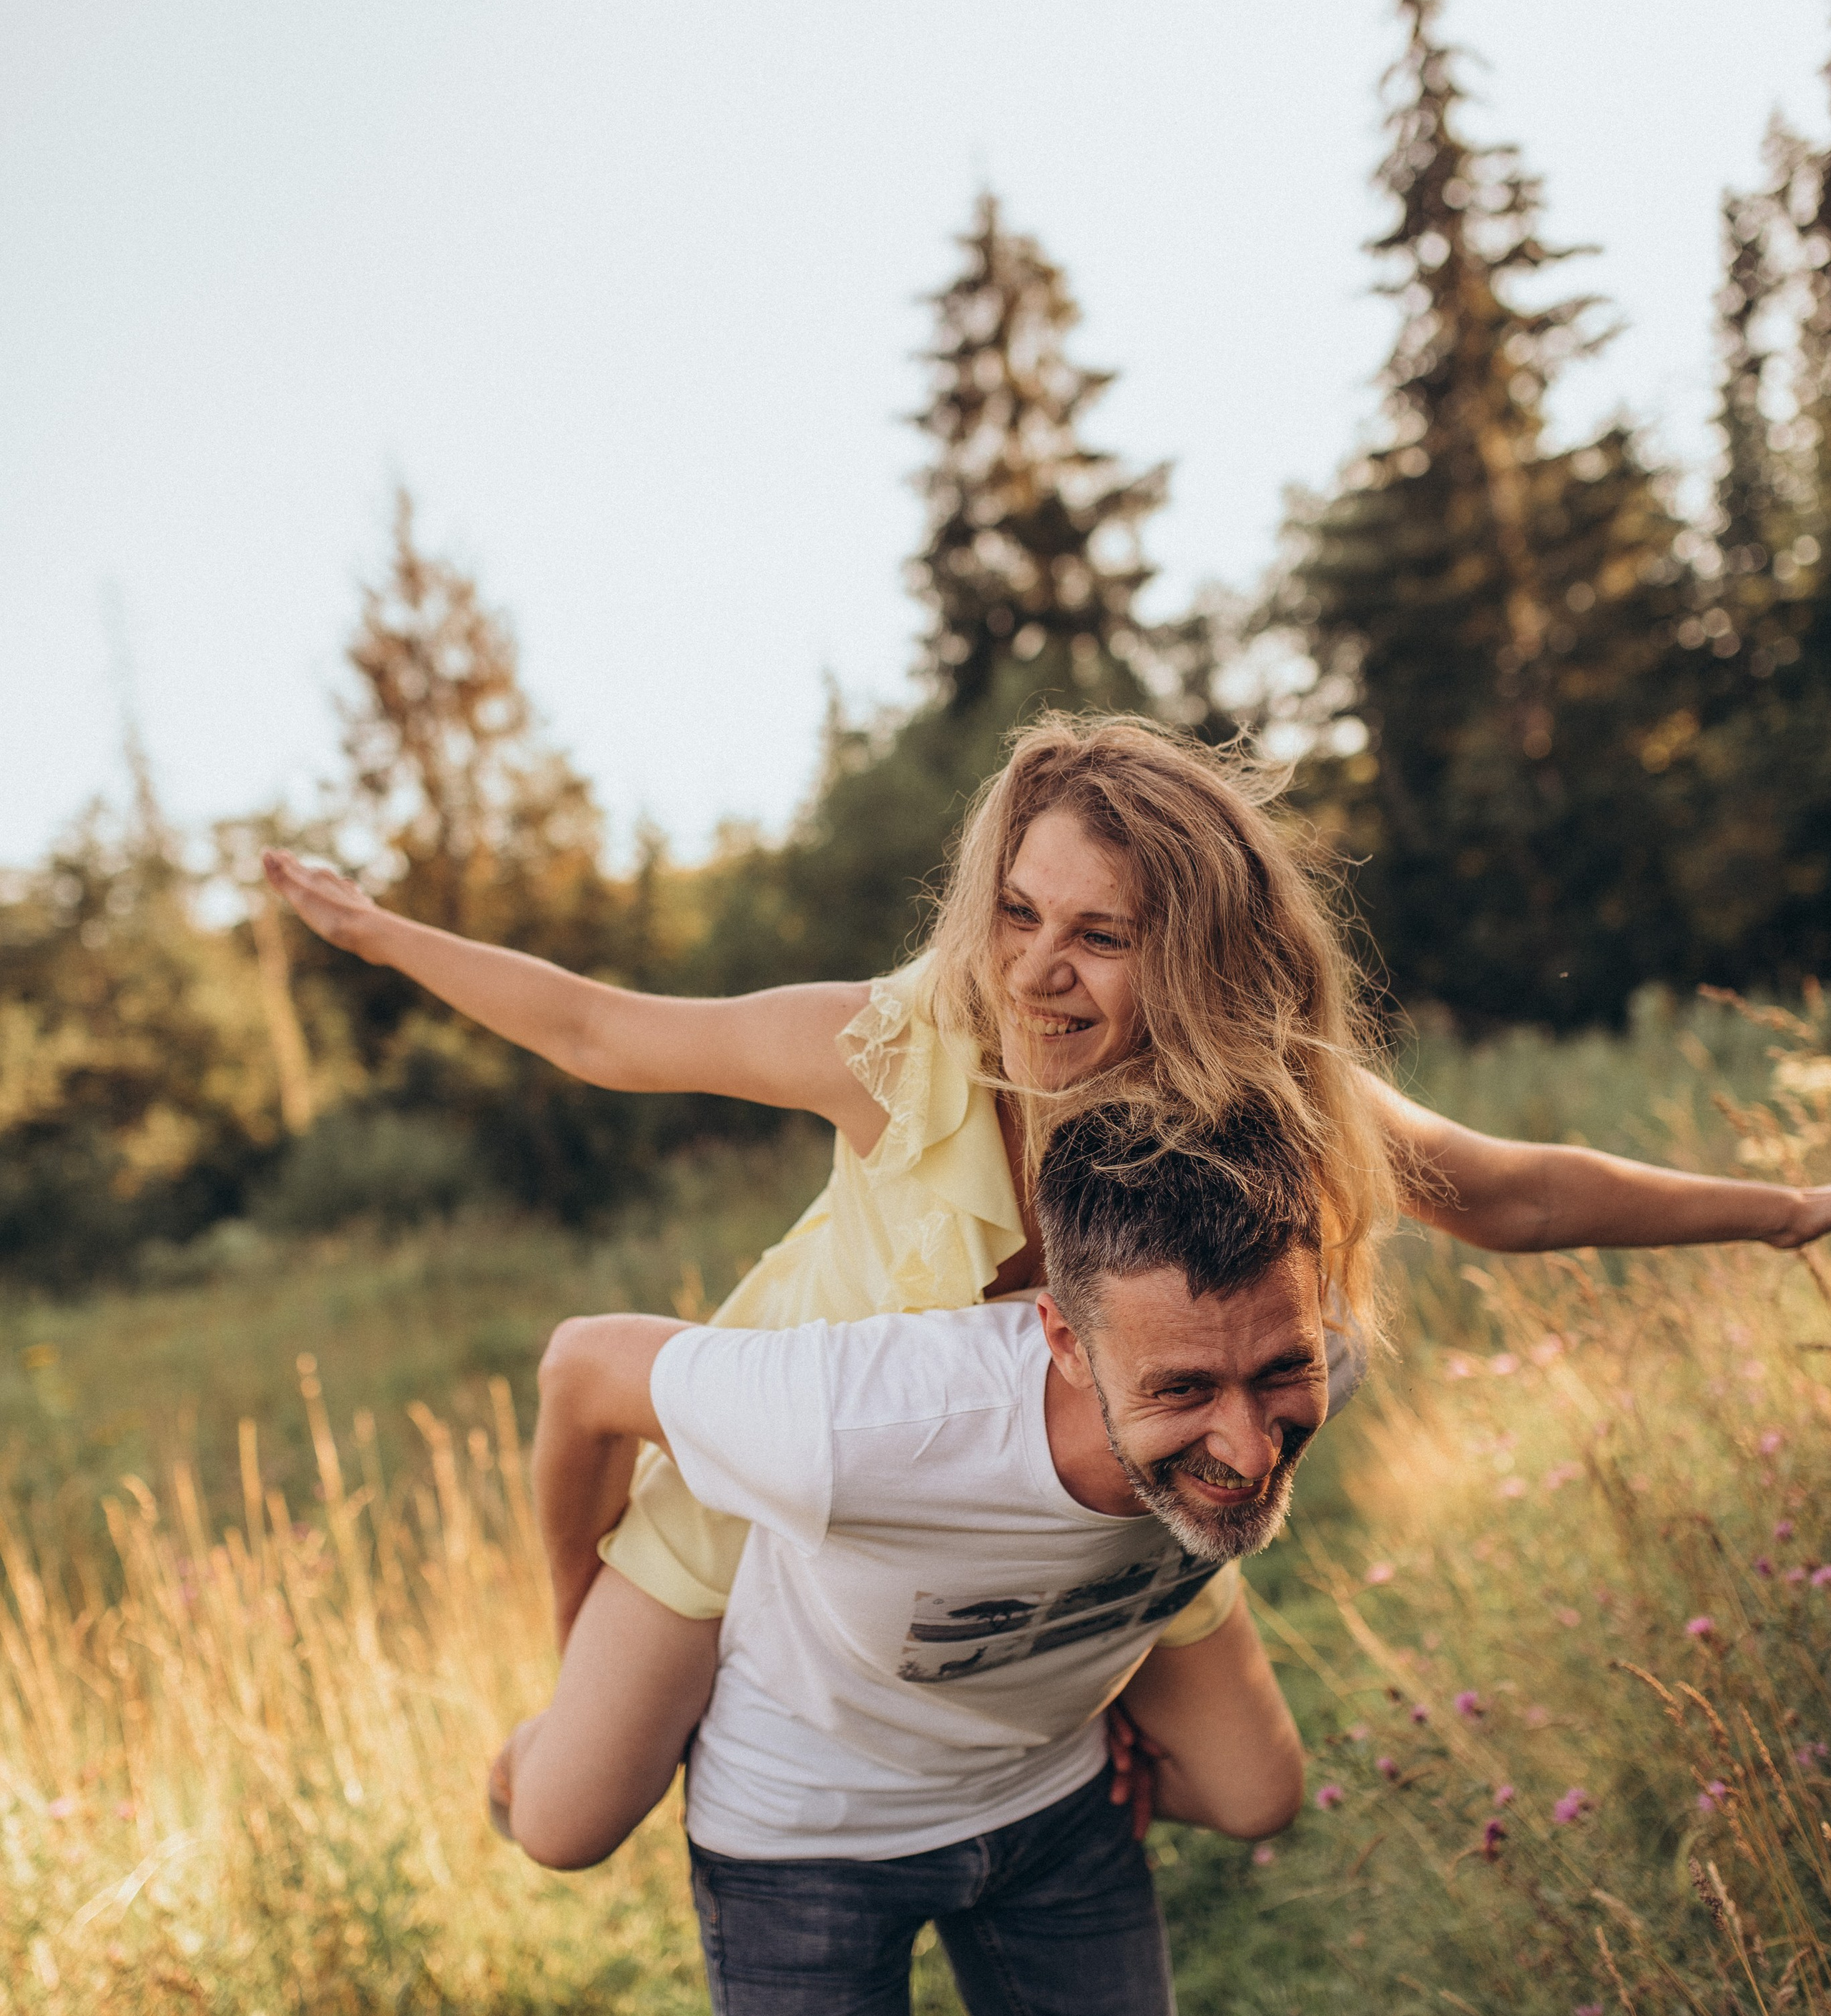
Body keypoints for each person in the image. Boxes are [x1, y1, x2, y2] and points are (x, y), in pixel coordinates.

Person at [264, 712, 1831, 1847]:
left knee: (1253, 1796)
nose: (1034, 970)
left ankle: (1040, 1750)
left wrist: (1782, 1214)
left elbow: (1510, 1191)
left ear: (1196, 952)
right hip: (781, 1484)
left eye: (1099, 936)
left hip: (1080, 1513)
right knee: (565, 1823)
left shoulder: (1259, 1099)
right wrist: (379, 935)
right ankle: (548, 1740)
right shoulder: (898, 1045)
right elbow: (604, 1031)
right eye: (1016, 913)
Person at [505, 1103, 1327, 2016]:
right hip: (805, 1855)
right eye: (1182, 1391)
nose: (1248, 1442)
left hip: (1056, 1821)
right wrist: (577, 1635)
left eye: (1281, 1372)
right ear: (1064, 1341)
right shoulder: (865, 1423)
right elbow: (581, 1368)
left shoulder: (1289, 1349)